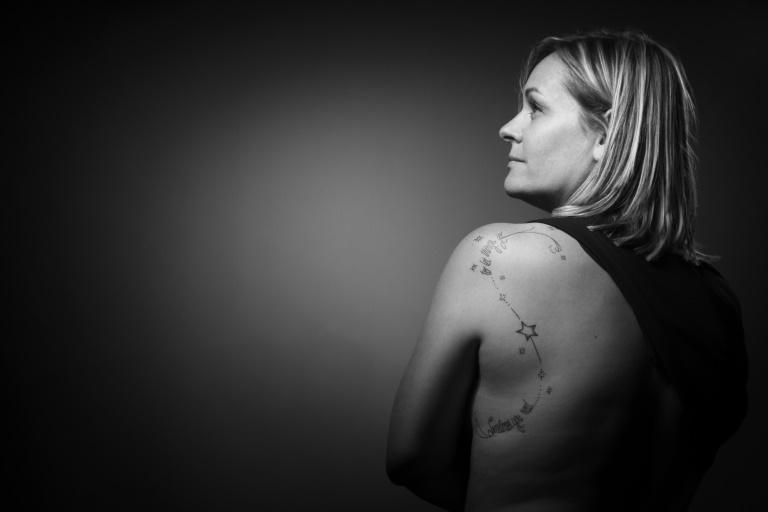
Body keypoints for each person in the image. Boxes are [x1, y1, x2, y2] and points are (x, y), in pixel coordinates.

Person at [386, 29, 748, 511]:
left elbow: (410, 458)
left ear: (605, 135)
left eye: (535, 107)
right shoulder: (719, 303)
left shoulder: (500, 256)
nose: (509, 128)